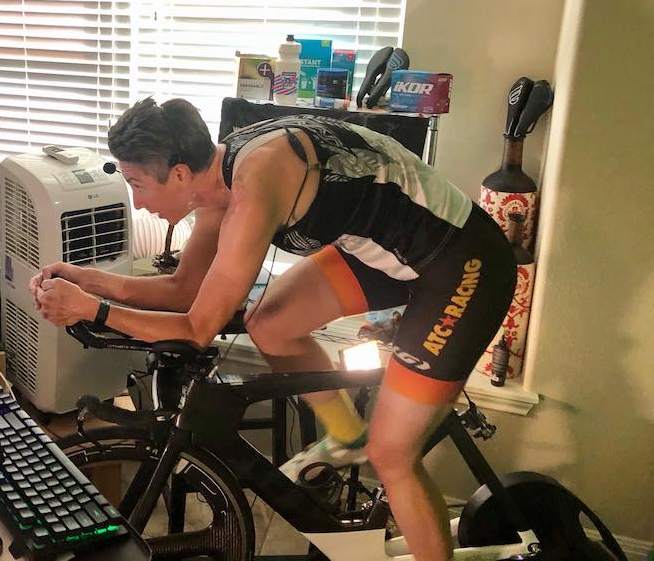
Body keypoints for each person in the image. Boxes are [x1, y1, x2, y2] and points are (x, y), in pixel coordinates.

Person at [30, 97, 514, 561]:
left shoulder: (255, 185)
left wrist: (92, 310)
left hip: (459, 261)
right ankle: (348, 435)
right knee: (272, 324)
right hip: (384, 250)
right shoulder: (216, 181)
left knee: (392, 457)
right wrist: (87, 280)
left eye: (138, 184)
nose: (137, 202)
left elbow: (198, 328)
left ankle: (382, 461)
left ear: (178, 174)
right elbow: (183, 290)